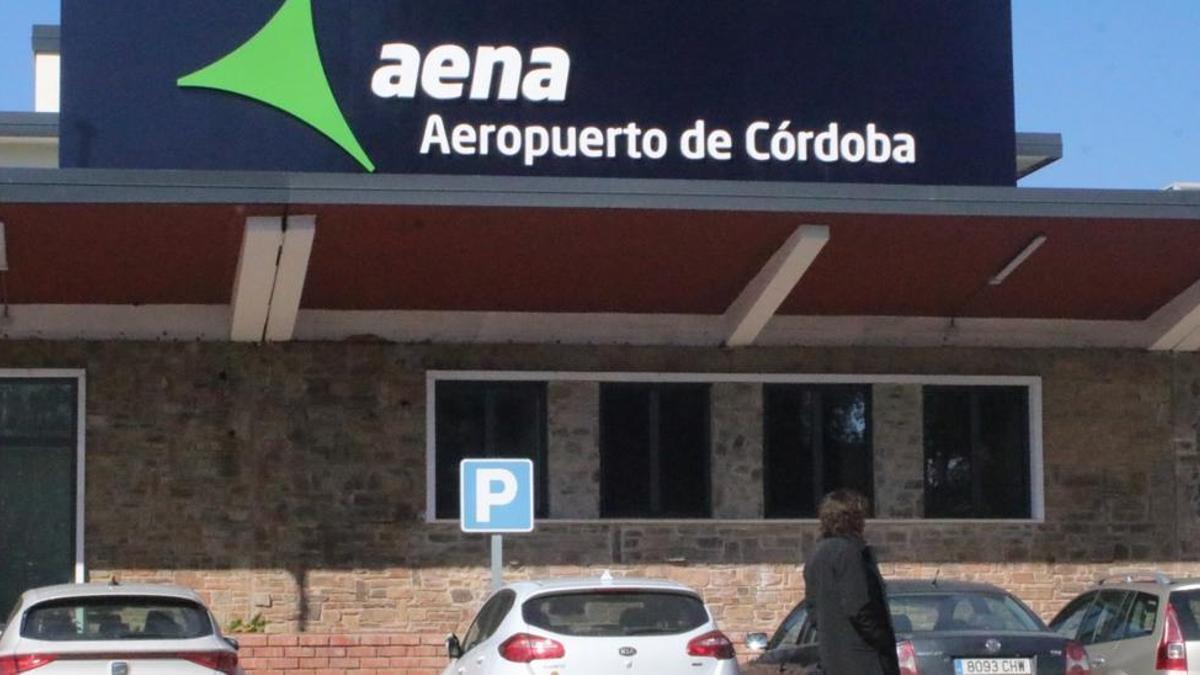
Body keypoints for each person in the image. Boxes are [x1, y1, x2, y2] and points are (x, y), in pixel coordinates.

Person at [803, 489, 900, 675]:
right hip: (865, 661)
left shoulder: (816, 555)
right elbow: (859, 607)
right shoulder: (850, 553)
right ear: (852, 519)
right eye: (861, 516)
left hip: (833, 660)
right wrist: (882, 639)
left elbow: (813, 612)